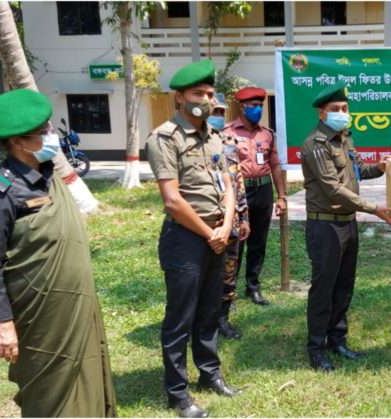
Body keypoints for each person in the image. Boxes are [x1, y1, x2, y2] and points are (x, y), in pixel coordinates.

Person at [0, 88, 117, 417]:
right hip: (42, 319)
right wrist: (2, 324)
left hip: (75, 307)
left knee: (87, 377)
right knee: (51, 394)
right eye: (43, 132)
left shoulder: (48, 175)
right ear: (19, 142)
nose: (51, 136)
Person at [145, 59, 240, 418]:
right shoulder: (164, 137)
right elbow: (172, 199)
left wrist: (226, 225)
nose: (206, 98)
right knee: (180, 318)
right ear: (179, 97)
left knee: (209, 312)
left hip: (218, 232)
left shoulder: (214, 136)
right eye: (198, 93)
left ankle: (209, 375)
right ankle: (177, 393)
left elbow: (228, 185)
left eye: (211, 93)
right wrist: (210, 234)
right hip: (186, 238)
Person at [300, 81, 391, 371]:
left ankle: (337, 340)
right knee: (323, 290)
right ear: (322, 114)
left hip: (347, 224)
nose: (342, 112)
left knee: (344, 287)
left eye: (345, 108)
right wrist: (374, 209)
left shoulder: (345, 138)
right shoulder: (316, 144)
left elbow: (357, 172)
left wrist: (377, 168)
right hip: (325, 226)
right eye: (335, 109)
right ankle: (316, 348)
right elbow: (333, 189)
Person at [222, 87, 287, 306]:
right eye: (254, 106)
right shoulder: (227, 132)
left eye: (260, 106)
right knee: (236, 242)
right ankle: (228, 290)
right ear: (242, 107)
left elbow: (275, 165)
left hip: (263, 191)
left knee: (258, 243)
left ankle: (253, 287)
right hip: (239, 194)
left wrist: (282, 196)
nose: (258, 109)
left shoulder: (266, 133)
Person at [210, 96, 250, 340]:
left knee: (228, 273)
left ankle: (222, 319)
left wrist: (244, 216)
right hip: (205, 224)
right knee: (202, 276)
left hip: (232, 223)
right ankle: (201, 321)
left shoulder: (228, 141)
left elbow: (238, 181)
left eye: (219, 111)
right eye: (213, 110)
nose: (216, 114)